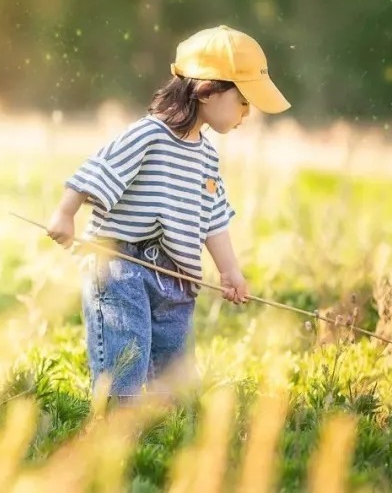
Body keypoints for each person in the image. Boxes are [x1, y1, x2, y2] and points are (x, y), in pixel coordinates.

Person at [45, 24, 291, 401]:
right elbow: (97, 170)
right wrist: (66, 213)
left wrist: (229, 271)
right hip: (121, 263)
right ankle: (116, 433)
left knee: (172, 371)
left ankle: (159, 438)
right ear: (208, 89)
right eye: (243, 101)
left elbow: (213, 219)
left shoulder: (207, 156)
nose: (248, 112)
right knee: (126, 356)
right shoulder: (149, 135)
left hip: (176, 275)